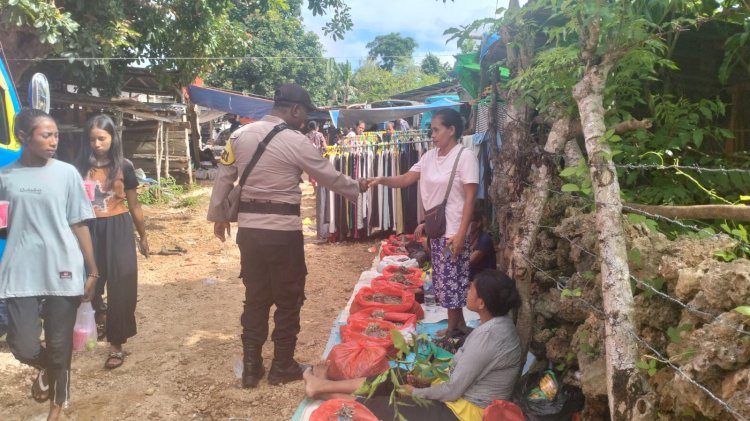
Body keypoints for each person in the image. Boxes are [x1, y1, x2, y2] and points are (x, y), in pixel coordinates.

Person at [207, 83, 369, 389]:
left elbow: (225, 176)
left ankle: (252, 368)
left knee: (255, 297)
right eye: (304, 112)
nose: (305, 118)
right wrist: (356, 188)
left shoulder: (239, 136)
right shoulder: (296, 141)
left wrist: (218, 218)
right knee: (288, 298)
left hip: (250, 233)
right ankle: (282, 365)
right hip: (283, 234)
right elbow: (326, 174)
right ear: (294, 110)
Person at [302, 269, 522, 421]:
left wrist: (417, 392)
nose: (468, 288)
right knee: (395, 375)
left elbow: (453, 390)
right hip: (459, 396)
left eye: (473, 287)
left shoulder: (490, 337)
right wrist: (427, 379)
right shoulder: (492, 326)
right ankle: (322, 386)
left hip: (464, 413)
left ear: (482, 302)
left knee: (387, 406)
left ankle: (320, 391)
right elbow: (458, 371)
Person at [0, 109, 99, 421]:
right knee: (23, 345)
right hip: (20, 270)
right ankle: (44, 367)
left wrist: (93, 269)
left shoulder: (67, 174)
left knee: (60, 344)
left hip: (63, 266)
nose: (54, 141)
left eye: (55, 135)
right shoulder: (5, 177)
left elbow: (78, 223)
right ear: (24, 138)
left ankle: (58, 404)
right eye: (46, 135)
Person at [369, 108, 479, 336]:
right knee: (444, 279)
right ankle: (458, 325)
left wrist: (460, 233)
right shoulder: (428, 157)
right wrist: (382, 179)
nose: (433, 134)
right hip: (438, 230)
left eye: (437, 130)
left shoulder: (464, 157)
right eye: (432, 130)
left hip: (453, 231)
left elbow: (470, 197)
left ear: (452, 130)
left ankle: (452, 329)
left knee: (452, 279)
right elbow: (407, 179)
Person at [76, 114, 149, 370]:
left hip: (118, 227)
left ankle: (116, 344)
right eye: (92, 139)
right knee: (89, 281)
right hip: (88, 228)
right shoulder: (78, 167)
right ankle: (100, 315)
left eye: (102, 138)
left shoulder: (124, 166)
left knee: (122, 283)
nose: (97, 143)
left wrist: (143, 235)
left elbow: (134, 204)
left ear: (112, 138)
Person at [469, 209, 496, 280]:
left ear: (478, 223)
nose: (465, 223)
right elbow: (446, 254)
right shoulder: (463, 238)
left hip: (483, 282)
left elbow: (470, 262)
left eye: (469, 221)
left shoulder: (484, 239)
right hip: (468, 279)